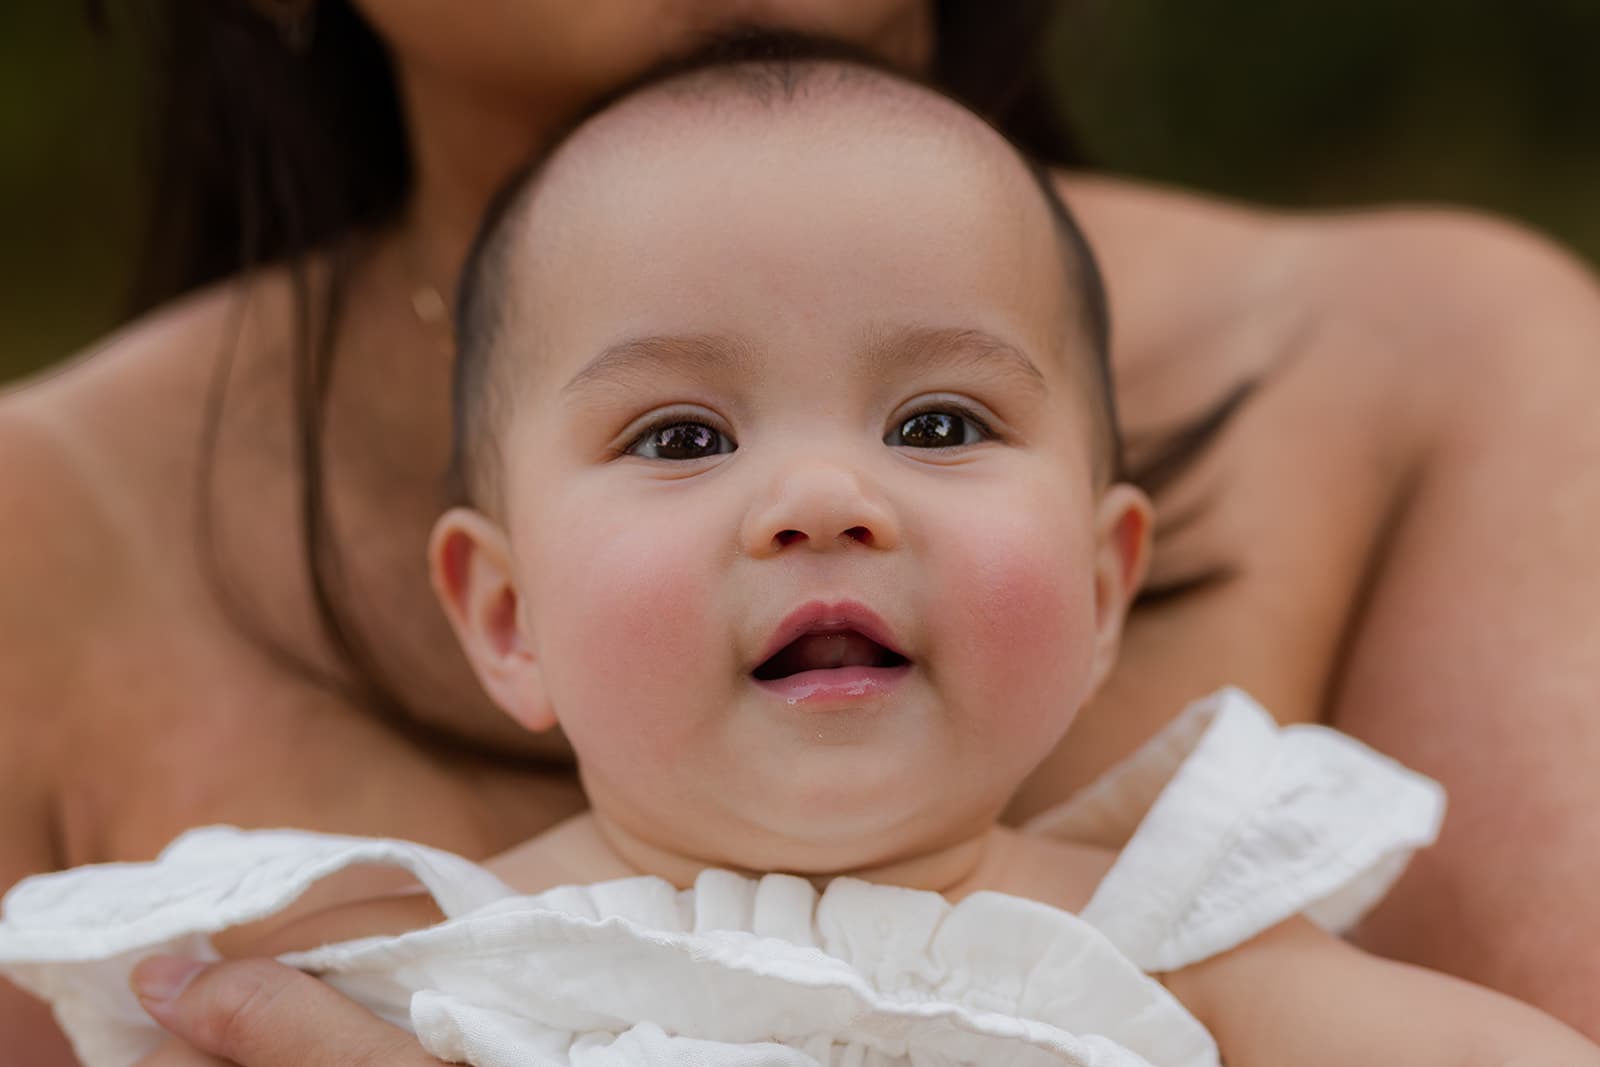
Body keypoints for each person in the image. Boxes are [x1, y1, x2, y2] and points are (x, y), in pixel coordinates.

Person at [3, 2, 1599, 1064]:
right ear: (503, 615)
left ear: (1110, 578)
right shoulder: (416, 967)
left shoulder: (1168, 936)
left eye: (938, 428)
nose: (827, 501)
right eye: (684, 439)